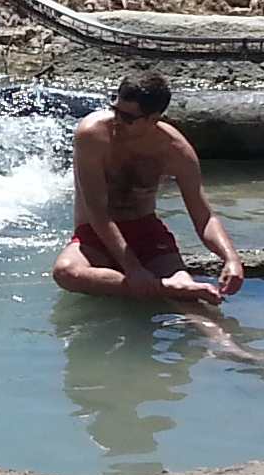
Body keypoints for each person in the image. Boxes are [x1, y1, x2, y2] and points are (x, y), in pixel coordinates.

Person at [53, 70, 246, 306]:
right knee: (65, 272)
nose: (117, 120)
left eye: (128, 117)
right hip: (95, 232)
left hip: (146, 232)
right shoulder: (92, 135)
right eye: (115, 109)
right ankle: (168, 287)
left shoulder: (174, 150)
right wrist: (132, 267)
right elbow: (96, 210)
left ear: (153, 119)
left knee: (195, 310)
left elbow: (204, 215)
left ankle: (189, 302)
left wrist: (231, 258)